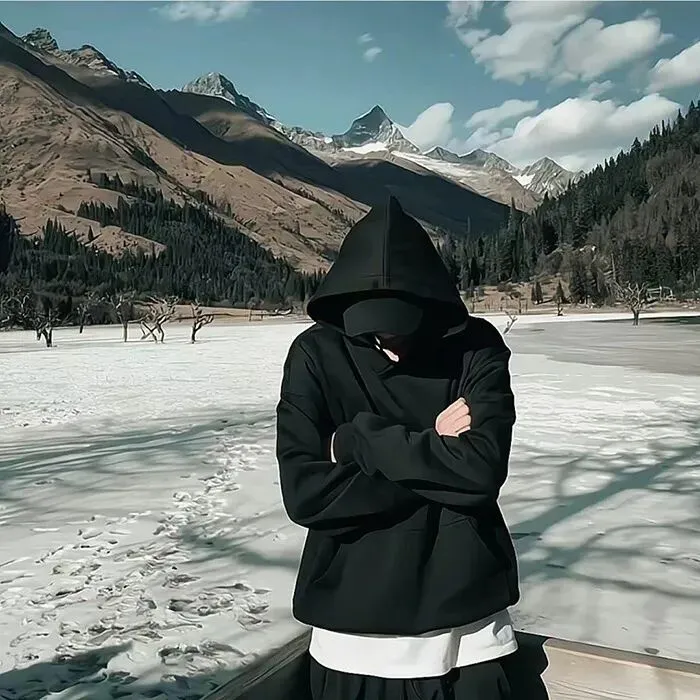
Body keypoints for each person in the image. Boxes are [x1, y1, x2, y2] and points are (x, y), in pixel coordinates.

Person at [276, 195, 519, 700]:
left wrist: (357, 440)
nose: (388, 342)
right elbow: (306, 494)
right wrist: (434, 449)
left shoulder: (475, 347)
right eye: (373, 330)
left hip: (468, 633)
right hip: (350, 635)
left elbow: (480, 472)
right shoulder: (315, 353)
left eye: (400, 326)